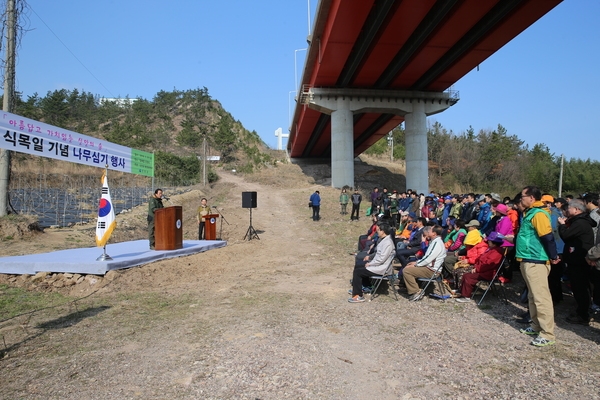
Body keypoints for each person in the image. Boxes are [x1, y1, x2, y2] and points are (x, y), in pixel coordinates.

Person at [517, 185, 559, 347]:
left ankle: (547, 333)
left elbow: (547, 237)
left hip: (536, 260)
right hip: (527, 258)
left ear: (531, 198)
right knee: (532, 296)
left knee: (541, 297)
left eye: (523, 196)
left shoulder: (539, 214)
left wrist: (553, 256)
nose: (521, 199)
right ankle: (536, 325)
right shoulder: (530, 212)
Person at [558, 199, 596, 325]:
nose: (566, 210)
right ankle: (581, 310)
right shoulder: (578, 221)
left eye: (569, 208)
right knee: (579, 286)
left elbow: (566, 235)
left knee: (581, 287)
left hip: (580, 260)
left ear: (577, 209)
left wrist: (562, 225)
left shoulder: (580, 223)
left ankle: (583, 314)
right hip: (576, 258)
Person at [348, 222, 395, 303]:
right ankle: (365, 286)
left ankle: (358, 295)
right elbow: (377, 254)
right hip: (377, 264)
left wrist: (370, 263)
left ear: (383, 231)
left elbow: (381, 259)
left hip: (382, 268)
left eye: (378, 231)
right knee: (358, 264)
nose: (377, 232)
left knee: (358, 272)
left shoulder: (388, 243)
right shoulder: (382, 240)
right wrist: (369, 258)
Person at [455, 231, 506, 302]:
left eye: (489, 241)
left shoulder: (496, 252)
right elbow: (482, 261)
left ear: (494, 242)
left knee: (468, 276)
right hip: (483, 270)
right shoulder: (492, 250)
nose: (488, 242)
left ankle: (466, 296)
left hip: (488, 273)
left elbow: (488, 265)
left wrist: (477, 269)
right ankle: (462, 291)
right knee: (465, 274)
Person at [402, 225, 446, 301]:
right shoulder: (435, 242)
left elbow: (428, 258)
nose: (428, 231)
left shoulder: (437, 243)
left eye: (430, 230)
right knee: (408, 266)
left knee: (407, 271)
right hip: (429, 267)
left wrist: (416, 264)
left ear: (434, 234)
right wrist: (416, 263)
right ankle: (410, 288)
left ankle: (416, 291)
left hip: (431, 270)